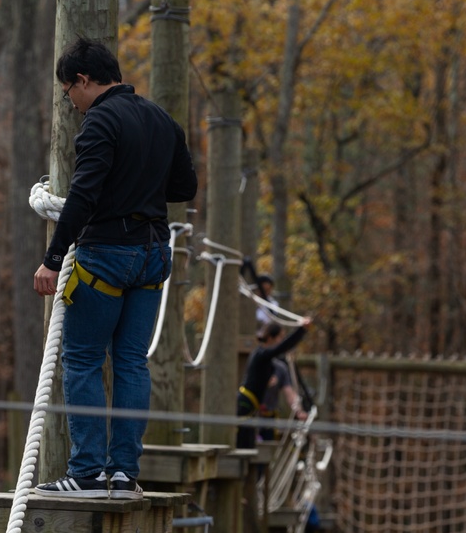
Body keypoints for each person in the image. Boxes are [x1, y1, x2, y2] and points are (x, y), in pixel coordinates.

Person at [33, 37, 197, 499]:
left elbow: (84, 195)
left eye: (70, 93)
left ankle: (85, 472)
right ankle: (123, 473)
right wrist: (141, 183)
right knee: (130, 362)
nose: (72, 104)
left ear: (83, 80)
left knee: (82, 360)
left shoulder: (101, 120)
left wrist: (51, 259)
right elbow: (185, 186)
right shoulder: (162, 120)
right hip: (152, 255)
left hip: (106, 254)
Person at [237, 318, 311, 449]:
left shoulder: (271, 363)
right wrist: (301, 330)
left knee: (251, 444)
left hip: (256, 408)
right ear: (270, 338)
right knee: (243, 441)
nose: (281, 341)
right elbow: (283, 347)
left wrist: (298, 410)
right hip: (246, 403)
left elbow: (289, 392)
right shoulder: (260, 354)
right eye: (280, 337)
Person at [258, 358, 308, 442]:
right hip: (253, 413)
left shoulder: (280, 368)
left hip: (269, 416)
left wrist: (298, 411)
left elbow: (289, 392)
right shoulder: (256, 363)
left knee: (269, 442)